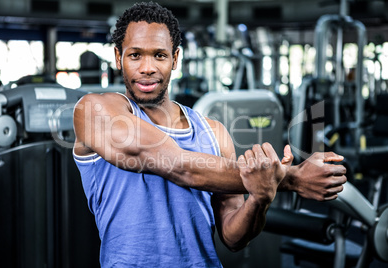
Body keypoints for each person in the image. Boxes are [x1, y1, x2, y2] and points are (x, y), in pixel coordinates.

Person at [73, 2, 347, 267]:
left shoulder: (214, 132)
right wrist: (292, 178)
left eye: (159, 55)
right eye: (135, 55)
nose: (147, 68)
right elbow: (176, 164)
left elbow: (233, 237)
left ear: (175, 58)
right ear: (118, 57)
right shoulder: (93, 110)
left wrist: (260, 196)